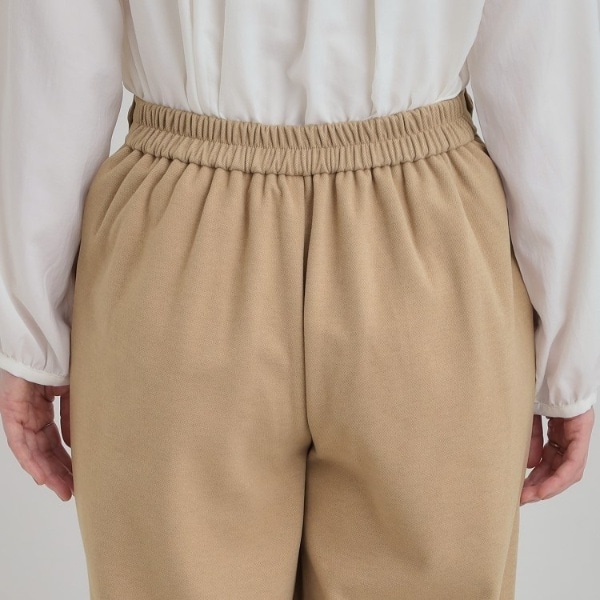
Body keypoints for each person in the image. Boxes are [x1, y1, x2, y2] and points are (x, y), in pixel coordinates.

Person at [0, 1, 598, 598]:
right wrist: (569, 359)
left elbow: (58, 48)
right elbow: (538, 61)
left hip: (177, 244)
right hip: (429, 251)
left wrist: (30, 335)